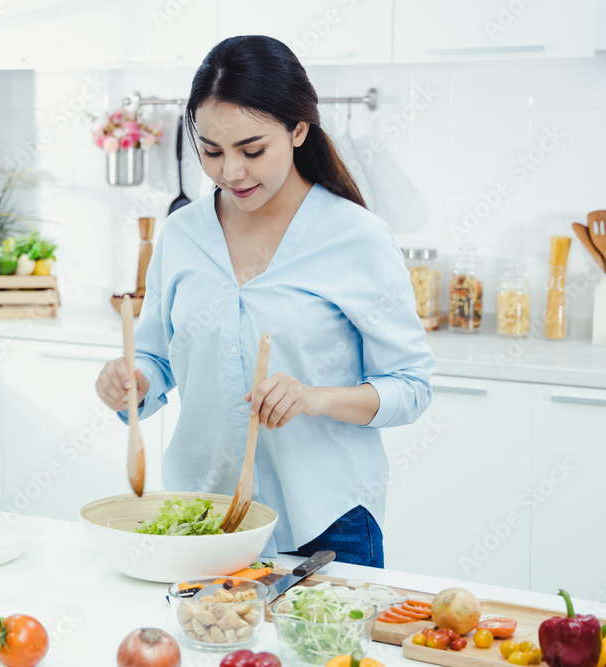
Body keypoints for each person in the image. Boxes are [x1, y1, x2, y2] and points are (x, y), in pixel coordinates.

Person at [94, 35, 435, 568]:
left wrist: (315, 397)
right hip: (202, 520)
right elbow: (158, 358)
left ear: (299, 129)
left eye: (252, 150)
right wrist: (134, 382)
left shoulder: (356, 238)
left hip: (326, 525)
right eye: (212, 151)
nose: (231, 172)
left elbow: (411, 388)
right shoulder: (183, 234)